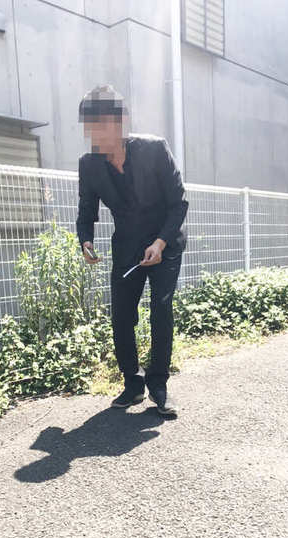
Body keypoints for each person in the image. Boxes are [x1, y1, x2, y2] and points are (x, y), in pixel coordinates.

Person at [75, 84, 189, 417]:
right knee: (122, 315)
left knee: (161, 310)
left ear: (121, 121)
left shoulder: (154, 149)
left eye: (101, 124)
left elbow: (179, 203)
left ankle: (159, 385)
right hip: (127, 246)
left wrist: (160, 242)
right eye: (90, 126)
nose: (95, 133)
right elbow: (86, 210)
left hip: (165, 242)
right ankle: (133, 382)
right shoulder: (89, 164)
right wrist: (86, 241)